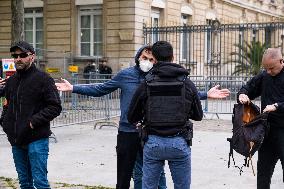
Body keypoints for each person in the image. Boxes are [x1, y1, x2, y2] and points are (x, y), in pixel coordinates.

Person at [55, 45, 230, 189]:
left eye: (151, 59)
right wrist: (74, 88)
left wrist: (205, 94)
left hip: (149, 133)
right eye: (144, 57)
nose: (147, 61)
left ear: (156, 61)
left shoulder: (158, 77)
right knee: (124, 173)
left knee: (150, 174)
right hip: (127, 131)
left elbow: (180, 92)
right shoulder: (126, 75)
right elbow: (101, 88)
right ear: (138, 57)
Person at [128, 41, 203, 189]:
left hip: (153, 142)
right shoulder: (186, 83)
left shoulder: (146, 83)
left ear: (154, 59)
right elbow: (198, 115)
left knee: (148, 186)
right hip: (179, 142)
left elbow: (132, 116)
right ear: (173, 57)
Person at [1, 41, 62, 188]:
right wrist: (5, 122)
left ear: (32, 57)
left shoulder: (44, 79)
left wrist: (32, 122)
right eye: (15, 56)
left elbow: (55, 106)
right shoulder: (12, 81)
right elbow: (7, 102)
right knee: (24, 183)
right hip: (16, 139)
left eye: (22, 55)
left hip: (36, 139)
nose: (18, 59)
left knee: (40, 182)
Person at [237, 48, 284, 189]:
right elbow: (248, 87)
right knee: (263, 172)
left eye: (271, 68)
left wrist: (277, 106)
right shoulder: (265, 76)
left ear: (281, 61)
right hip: (267, 133)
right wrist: (243, 95)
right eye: (266, 68)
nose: (268, 71)